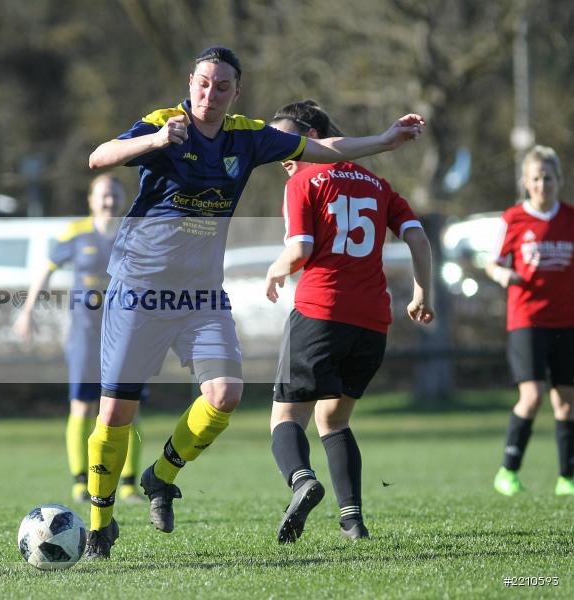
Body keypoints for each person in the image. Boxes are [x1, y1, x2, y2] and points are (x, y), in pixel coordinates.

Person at [83, 45, 427, 559]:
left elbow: (323, 150)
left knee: (225, 394)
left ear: (236, 92)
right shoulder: (164, 122)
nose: (210, 93)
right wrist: (154, 140)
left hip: (201, 294)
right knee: (116, 414)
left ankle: (161, 477)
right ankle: (99, 526)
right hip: (139, 287)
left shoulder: (247, 136)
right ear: (191, 81)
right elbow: (97, 157)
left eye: (223, 86)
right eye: (204, 82)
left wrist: (384, 140)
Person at [265, 100, 434, 543]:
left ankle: (302, 480)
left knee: (285, 417)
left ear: (315, 135)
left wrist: (275, 269)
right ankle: (353, 522)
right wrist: (421, 293)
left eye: (288, 139)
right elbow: (417, 236)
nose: (282, 151)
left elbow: (299, 251)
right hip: (373, 323)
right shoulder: (377, 183)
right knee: (335, 421)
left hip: (321, 313)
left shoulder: (304, 179)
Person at [13, 173, 144, 504]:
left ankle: (127, 485)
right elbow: (45, 269)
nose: (109, 201)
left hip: (126, 334)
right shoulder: (76, 233)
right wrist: (27, 310)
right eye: (103, 195)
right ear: (91, 199)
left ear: (122, 198)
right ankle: (79, 482)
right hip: (85, 336)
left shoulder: (134, 234)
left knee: (129, 408)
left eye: (114, 194)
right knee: (83, 407)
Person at [487, 145, 574, 497]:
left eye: (548, 178)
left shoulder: (570, 218)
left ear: (559, 180)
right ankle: (507, 472)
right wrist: (503, 275)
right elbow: (493, 263)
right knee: (533, 394)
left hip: (567, 321)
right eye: (536, 178)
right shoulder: (513, 219)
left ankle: (567, 477)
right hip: (527, 319)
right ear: (526, 182)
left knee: (566, 400)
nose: (542, 184)